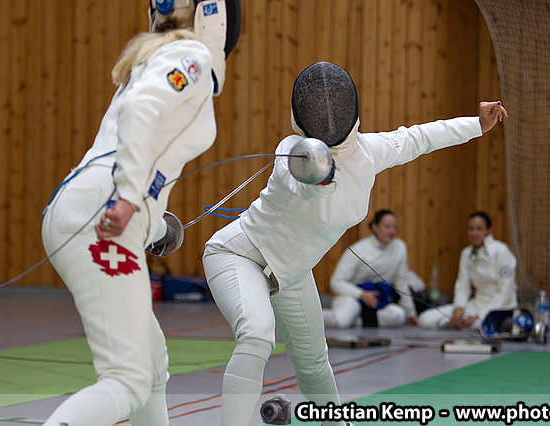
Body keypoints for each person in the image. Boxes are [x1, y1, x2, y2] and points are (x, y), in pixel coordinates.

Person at [202, 61, 508, 426]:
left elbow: (418, 138)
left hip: (290, 274)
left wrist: (476, 124)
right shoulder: (293, 152)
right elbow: (304, 186)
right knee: (256, 334)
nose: (327, 116)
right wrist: (321, 177)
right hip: (239, 256)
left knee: (314, 361)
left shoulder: (367, 150)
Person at [40, 1, 241, 425]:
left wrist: (151, 225)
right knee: (126, 381)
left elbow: (144, 144)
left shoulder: (158, 57)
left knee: (150, 364)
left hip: (88, 208)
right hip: (104, 214)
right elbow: (141, 109)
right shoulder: (192, 55)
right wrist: (130, 199)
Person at [323, 209, 425, 329]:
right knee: (341, 321)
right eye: (387, 226)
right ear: (375, 227)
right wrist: (362, 294)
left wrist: (410, 313)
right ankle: (315, 317)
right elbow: (336, 282)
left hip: (379, 300)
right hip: (352, 297)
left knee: (398, 316)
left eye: (394, 227)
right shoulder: (358, 249)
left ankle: (358, 321)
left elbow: (401, 282)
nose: (391, 231)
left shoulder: (399, 247)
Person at [417, 211, 517, 329]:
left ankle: (451, 323)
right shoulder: (466, 254)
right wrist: (459, 308)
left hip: (501, 308)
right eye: (471, 229)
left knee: (476, 325)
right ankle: (450, 322)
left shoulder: (501, 250)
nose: (474, 233)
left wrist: (480, 316)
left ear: (488, 231)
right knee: (424, 319)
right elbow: (462, 286)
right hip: (476, 304)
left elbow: (506, 290)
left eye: (479, 229)